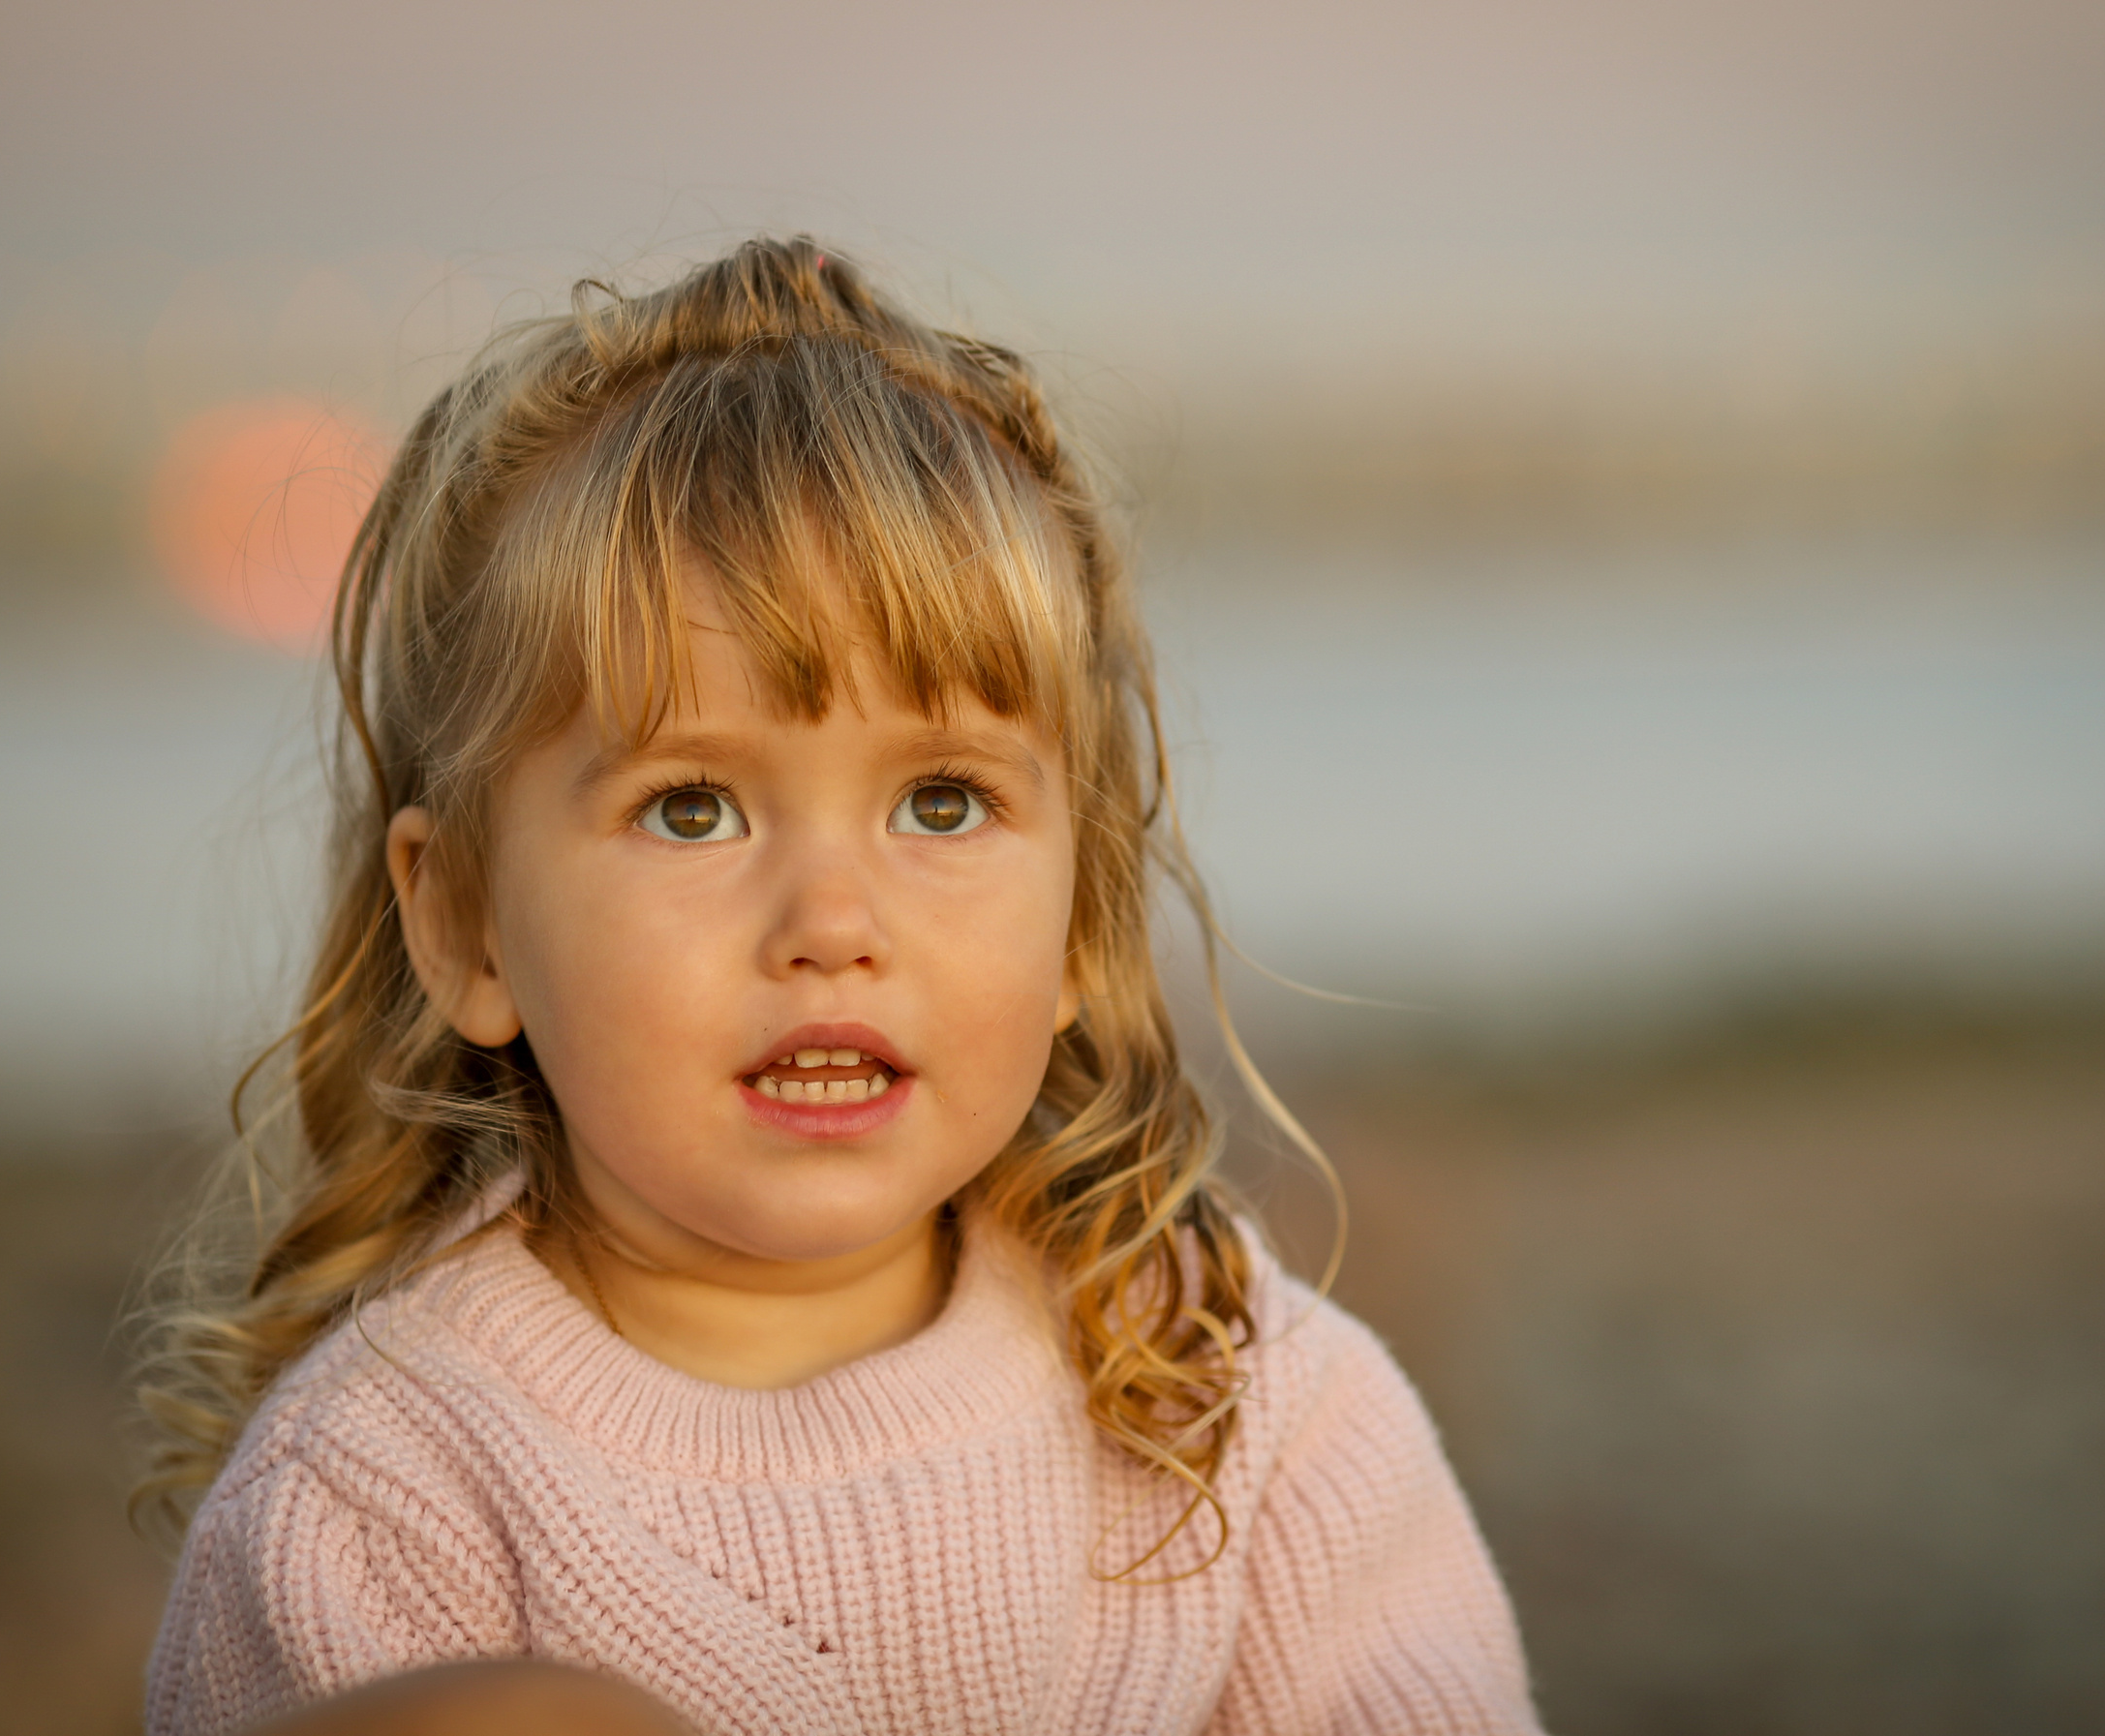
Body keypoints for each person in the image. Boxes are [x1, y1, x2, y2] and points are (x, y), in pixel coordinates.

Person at [137, 238, 1538, 1736]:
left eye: (941, 803)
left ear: (1083, 920)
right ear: (469, 924)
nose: (830, 923)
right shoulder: (377, 1509)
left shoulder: (1235, 1404)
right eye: (693, 808)